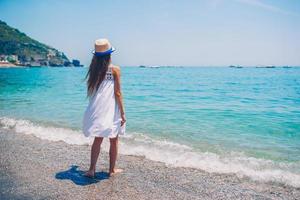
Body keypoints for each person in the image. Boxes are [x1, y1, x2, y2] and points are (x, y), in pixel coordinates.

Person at [82, 38, 126, 177]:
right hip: (111, 108)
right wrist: (123, 113)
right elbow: (118, 93)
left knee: (98, 138)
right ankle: (111, 170)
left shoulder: (94, 69)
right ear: (109, 54)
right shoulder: (115, 69)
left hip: (98, 107)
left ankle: (91, 170)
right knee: (114, 139)